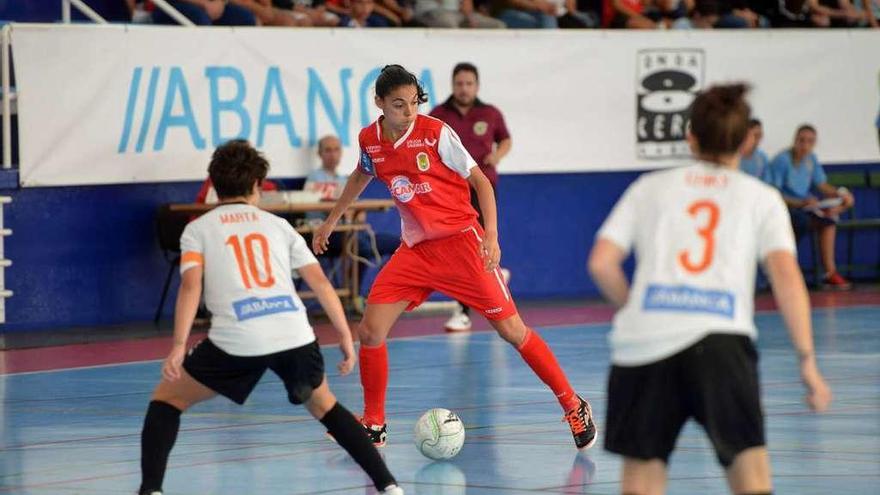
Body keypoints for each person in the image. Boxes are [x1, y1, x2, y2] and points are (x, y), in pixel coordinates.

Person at [312, 65, 596, 451]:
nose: (409, 112)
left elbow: (480, 180)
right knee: (371, 331)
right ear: (379, 103)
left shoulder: (435, 133)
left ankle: (572, 404)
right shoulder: (370, 140)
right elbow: (360, 176)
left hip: (463, 245)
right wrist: (331, 220)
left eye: (413, 103)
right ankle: (374, 425)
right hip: (415, 251)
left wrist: (491, 235)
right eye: (398, 104)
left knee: (513, 331)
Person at [588, 83, 832, 495]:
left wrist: (634, 307)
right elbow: (787, 279)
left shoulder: (650, 187)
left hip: (645, 347)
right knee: (751, 479)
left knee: (641, 483)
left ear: (691, 137)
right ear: (745, 141)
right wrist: (807, 360)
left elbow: (601, 263)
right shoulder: (762, 198)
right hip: (723, 347)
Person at [138, 140, 404, 495]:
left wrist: (178, 346)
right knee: (325, 405)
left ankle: (151, 490)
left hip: (237, 340)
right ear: (257, 187)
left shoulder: (198, 229)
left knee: (167, 401)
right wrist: (344, 335)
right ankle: (388, 485)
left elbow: (190, 288)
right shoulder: (278, 226)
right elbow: (321, 283)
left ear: (214, 186)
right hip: (294, 335)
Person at [429, 62, 512, 332]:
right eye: (459, 84)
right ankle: (492, 280)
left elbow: (506, 140)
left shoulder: (490, 113)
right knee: (457, 248)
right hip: (450, 190)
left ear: (477, 85)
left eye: (469, 84)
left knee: (477, 244)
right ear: (453, 85)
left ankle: (463, 311)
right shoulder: (438, 114)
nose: (464, 89)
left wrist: (497, 155)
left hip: (482, 186)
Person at [304, 135, 401, 299]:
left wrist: (355, 212)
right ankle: (354, 295)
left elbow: (359, 213)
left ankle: (378, 290)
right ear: (320, 154)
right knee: (360, 245)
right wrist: (348, 211)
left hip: (353, 232)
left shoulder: (345, 180)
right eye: (328, 150)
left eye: (336, 150)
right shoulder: (314, 179)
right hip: (326, 235)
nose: (332, 154)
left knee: (397, 244)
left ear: (341, 153)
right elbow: (329, 210)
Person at [768, 124, 855, 290]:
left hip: (806, 208)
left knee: (828, 220)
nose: (805, 145)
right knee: (800, 221)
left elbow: (821, 184)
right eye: (801, 140)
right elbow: (775, 194)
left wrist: (840, 194)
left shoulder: (811, 159)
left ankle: (830, 273)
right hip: (786, 208)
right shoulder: (782, 160)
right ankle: (785, 272)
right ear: (795, 141)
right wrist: (800, 203)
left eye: (810, 141)